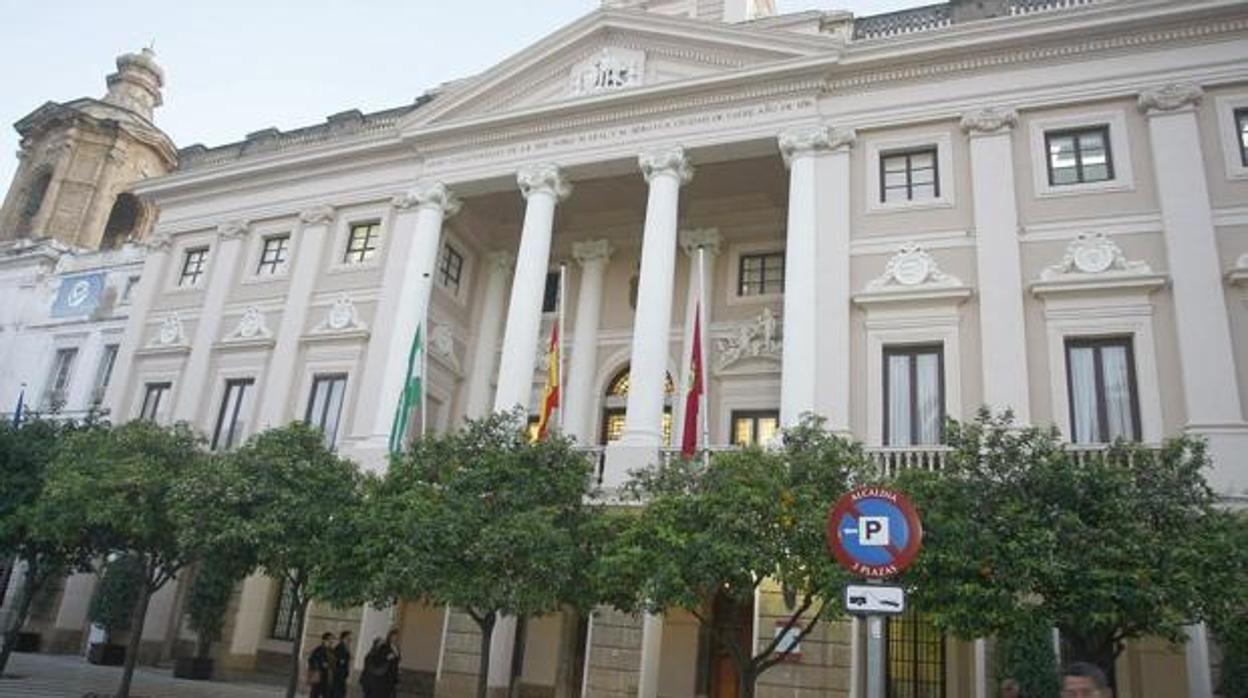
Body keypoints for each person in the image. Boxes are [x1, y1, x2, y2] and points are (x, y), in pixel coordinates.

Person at [306, 632, 336, 698]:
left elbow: (333, 662)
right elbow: (311, 660)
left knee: (326, 694)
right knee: (315, 694)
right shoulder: (318, 650)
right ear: (324, 640)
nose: (331, 641)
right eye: (329, 639)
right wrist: (321, 665)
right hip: (319, 676)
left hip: (328, 676)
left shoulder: (331, 651)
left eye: (332, 639)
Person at [330, 630, 352, 698]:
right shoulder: (340, 647)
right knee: (338, 693)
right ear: (343, 638)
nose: (350, 640)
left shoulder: (345, 648)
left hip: (341, 675)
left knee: (340, 693)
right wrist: (341, 661)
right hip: (338, 675)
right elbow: (337, 660)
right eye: (348, 638)